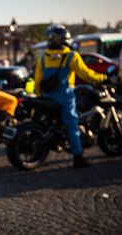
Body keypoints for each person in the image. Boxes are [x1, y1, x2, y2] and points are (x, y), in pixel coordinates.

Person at [34, 24, 107, 168]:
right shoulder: (71, 56)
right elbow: (85, 73)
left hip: (47, 98)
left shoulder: (43, 58)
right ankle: (78, 157)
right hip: (64, 97)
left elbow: (37, 80)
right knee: (72, 125)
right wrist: (102, 78)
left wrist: (40, 95)